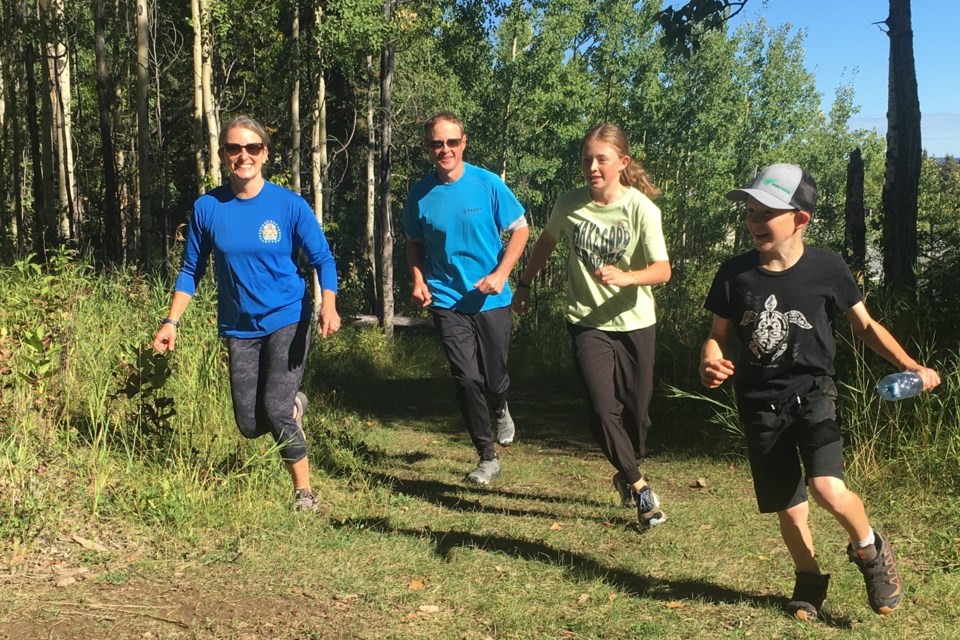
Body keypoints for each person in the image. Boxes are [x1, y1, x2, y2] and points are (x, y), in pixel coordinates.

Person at [699, 163, 941, 619]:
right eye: (749, 211)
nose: (753, 220)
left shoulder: (828, 268)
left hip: (814, 393)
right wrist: (709, 360)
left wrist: (912, 366)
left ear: (800, 219)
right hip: (757, 401)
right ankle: (809, 579)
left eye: (765, 212)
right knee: (789, 508)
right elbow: (717, 335)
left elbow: (866, 327)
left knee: (828, 489)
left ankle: (870, 549)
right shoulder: (734, 274)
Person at [152, 115, 341, 512]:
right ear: (223, 155)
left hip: (288, 316)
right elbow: (191, 270)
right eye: (234, 149)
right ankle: (295, 405)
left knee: (273, 408)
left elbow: (322, 258)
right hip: (239, 327)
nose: (244, 156)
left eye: (252, 148)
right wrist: (171, 322)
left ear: (265, 154)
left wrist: (329, 303)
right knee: (250, 424)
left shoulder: (288, 205)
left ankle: (304, 492)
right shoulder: (208, 207)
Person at [513, 124, 671, 528]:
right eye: (586, 159)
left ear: (623, 162)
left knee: (638, 414)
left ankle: (626, 468)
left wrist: (628, 276)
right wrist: (525, 284)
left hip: (636, 322)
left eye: (602, 159)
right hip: (587, 322)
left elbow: (663, 270)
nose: (593, 167)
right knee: (603, 410)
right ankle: (640, 489)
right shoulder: (569, 204)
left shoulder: (641, 209)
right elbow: (545, 243)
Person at [402, 111, 529, 485]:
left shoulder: (487, 184)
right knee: (466, 378)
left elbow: (520, 230)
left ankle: (501, 405)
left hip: (491, 299)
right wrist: (418, 279)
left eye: (451, 142)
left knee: (494, 379)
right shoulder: (421, 194)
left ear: (464, 142)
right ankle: (486, 456)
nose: (445, 149)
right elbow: (413, 241)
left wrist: (501, 274)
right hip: (446, 299)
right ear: (428, 148)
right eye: (437, 143)